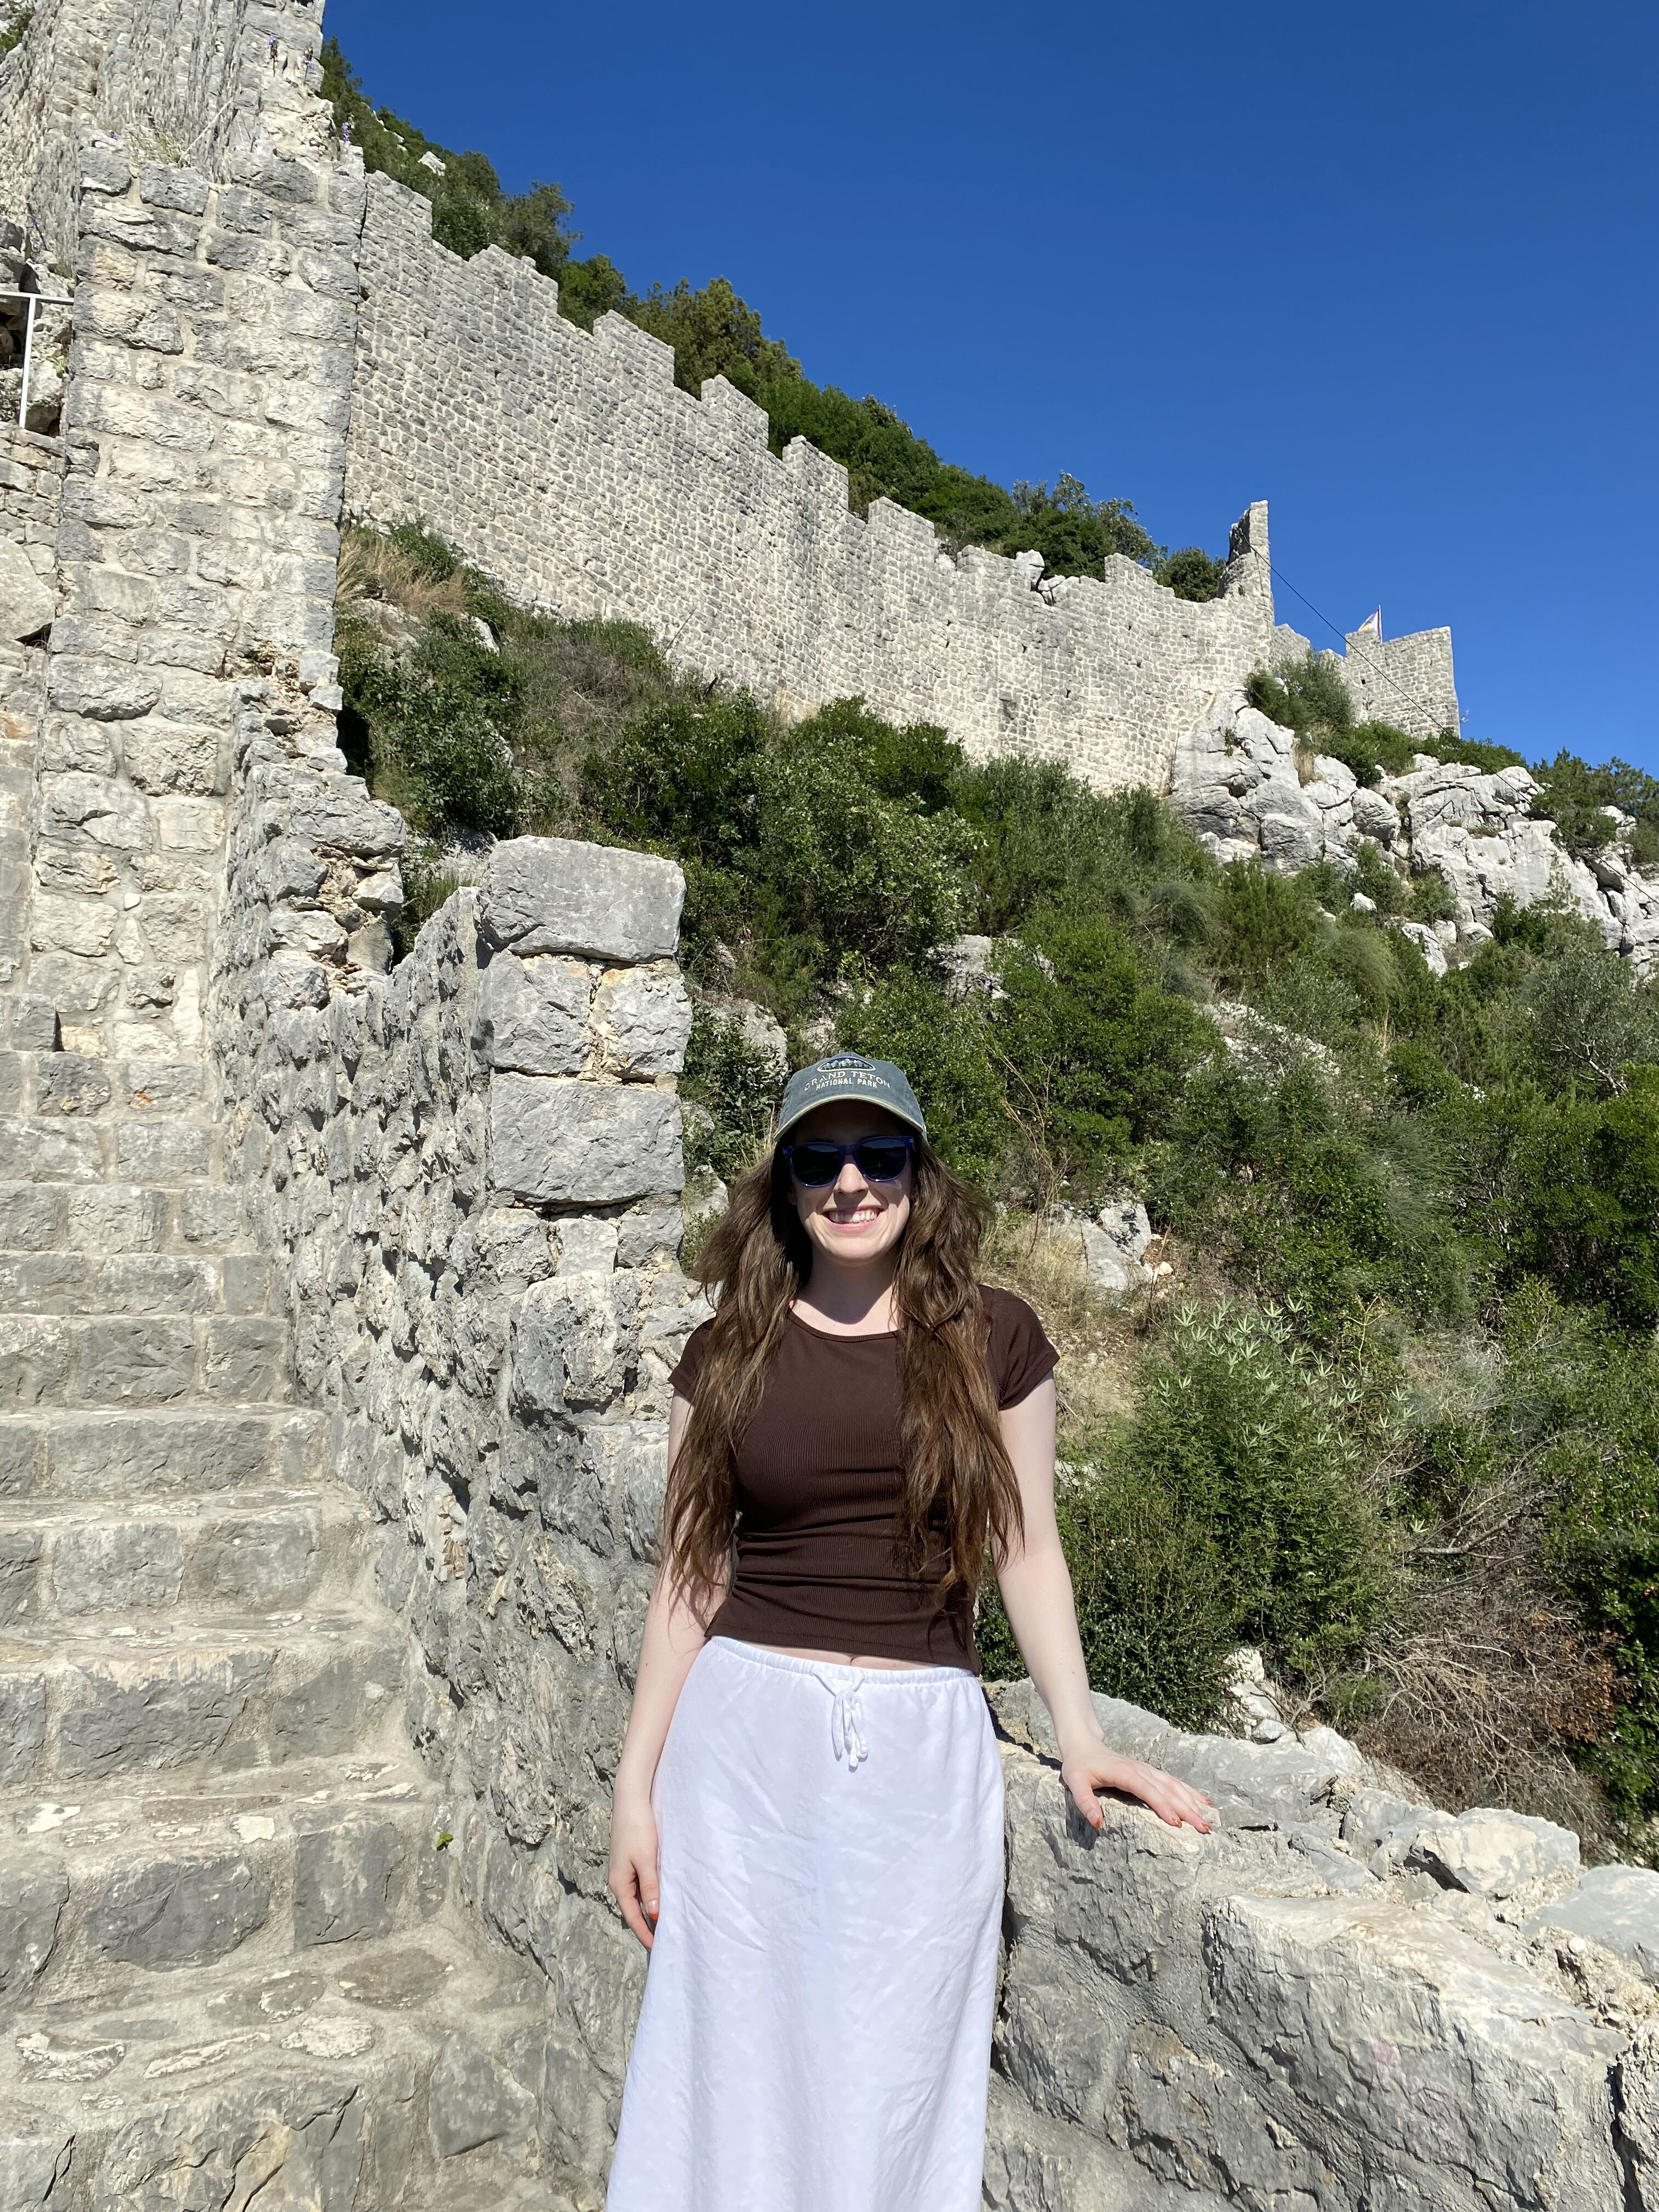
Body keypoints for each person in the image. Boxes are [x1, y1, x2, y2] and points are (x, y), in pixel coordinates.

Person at [605, 1052, 1212, 2210]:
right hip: (741, 1760)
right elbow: (688, 1578)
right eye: (818, 1158)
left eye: (877, 1156)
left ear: (917, 1175)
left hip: (922, 1765)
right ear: (782, 1183)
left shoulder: (996, 1339)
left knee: (895, 2071)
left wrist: (1079, 1734)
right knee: (725, 2062)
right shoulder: (725, 1350)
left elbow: (1028, 1551)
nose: (850, 1183)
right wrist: (636, 1789)